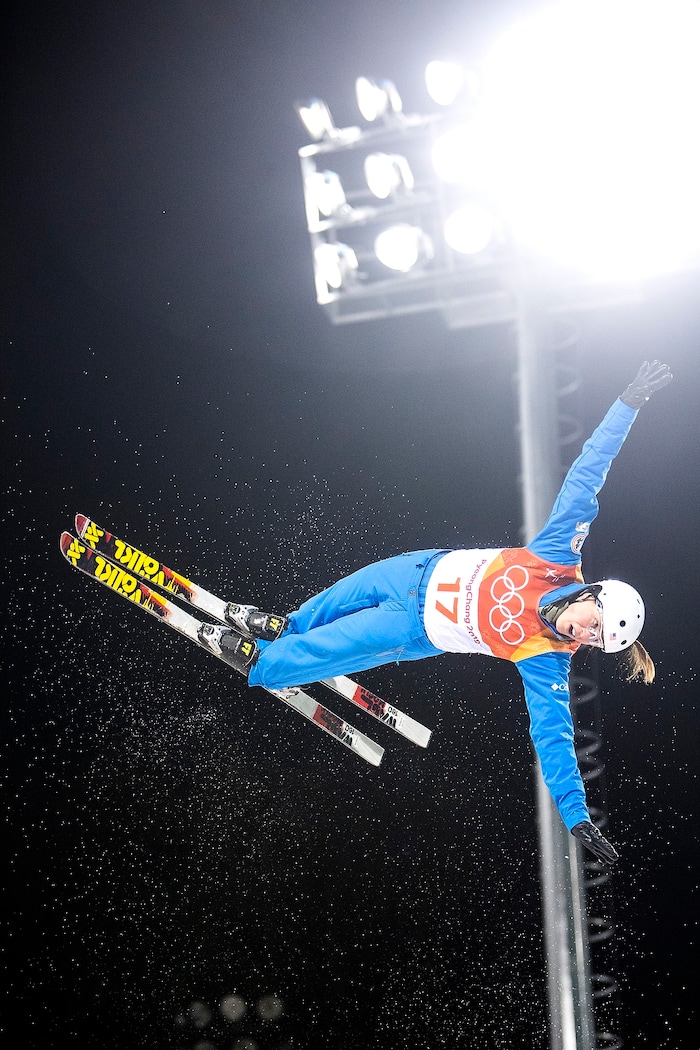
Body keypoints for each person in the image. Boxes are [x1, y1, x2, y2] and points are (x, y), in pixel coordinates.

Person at [200, 361, 672, 865]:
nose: (584, 634)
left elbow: (553, 737)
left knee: (333, 648)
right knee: (318, 612)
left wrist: (576, 815)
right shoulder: (557, 556)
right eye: (593, 623)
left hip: (410, 628)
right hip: (411, 571)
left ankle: (261, 662)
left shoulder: (547, 659)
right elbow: (587, 476)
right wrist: (628, 404)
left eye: (594, 641)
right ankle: (281, 629)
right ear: (590, 594)